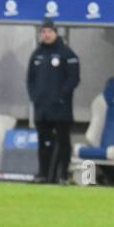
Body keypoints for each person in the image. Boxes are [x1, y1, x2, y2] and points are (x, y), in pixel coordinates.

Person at [26, 19, 80, 184]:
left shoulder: (67, 54)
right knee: (44, 143)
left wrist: (60, 97)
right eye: (43, 32)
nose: (46, 35)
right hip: (41, 109)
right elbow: (30, 79)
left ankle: (63, 174)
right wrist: (34, 97)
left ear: (56, 33)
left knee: (63, 142)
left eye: (49, 32)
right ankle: (43, 174)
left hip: (60, 109)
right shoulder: (37, 55)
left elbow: (73, 79)